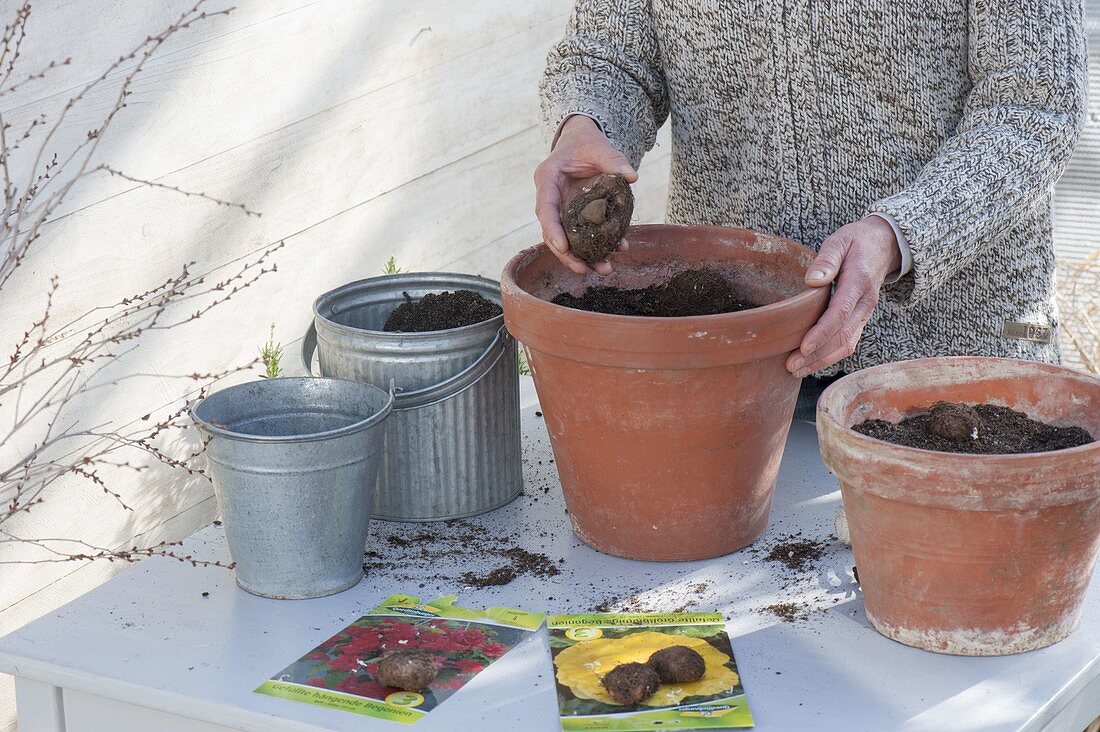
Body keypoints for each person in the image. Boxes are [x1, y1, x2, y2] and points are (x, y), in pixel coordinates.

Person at [534, 0, 1088, 420]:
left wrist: (905, 233)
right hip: (732, 351)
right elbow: (609, 53)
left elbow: (1036, 107)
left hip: (956, 372)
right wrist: (587, 125)